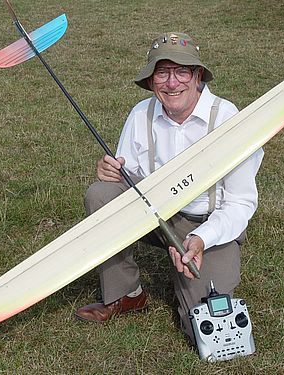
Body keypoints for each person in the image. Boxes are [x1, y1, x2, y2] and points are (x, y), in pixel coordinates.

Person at [75, 32, 264, 343]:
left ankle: (191, 287)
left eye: (182, 71)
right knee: (101, 194)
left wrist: (201, 239)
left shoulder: (229, 120)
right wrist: (111, 171)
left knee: (202, 332)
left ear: (198, 76)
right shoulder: (141, 113)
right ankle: (126, 293)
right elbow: (129, 177)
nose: (172, 83)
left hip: (207, 224)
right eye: (162, 72)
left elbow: (241, 203)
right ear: (151, 81)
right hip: (154, 213)